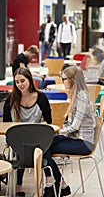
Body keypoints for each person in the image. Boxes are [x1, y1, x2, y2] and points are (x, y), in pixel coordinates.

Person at [43, 66, 96, 197]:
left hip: (83, 142)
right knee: (42, 144)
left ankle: (54, 183)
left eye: (64, 79)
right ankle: (59, 183)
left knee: (43, 147)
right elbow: (71, 125)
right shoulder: (76, 95)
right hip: (75, 138)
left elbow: (75, 127)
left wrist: (58, 132)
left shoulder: (81, 97)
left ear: (72, 80)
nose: (63, 81)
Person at [3, 67, 52, 197]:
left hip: (36, 137)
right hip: (17, 138)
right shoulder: (11, 99)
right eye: (17, 82)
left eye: (23, 81)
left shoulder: (41, 98)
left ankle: (20, 187)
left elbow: (48, 120)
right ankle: (52, 182)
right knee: (26, 147)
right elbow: (6, 123)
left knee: (36, 146)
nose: (20, 85)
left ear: (30, 80)